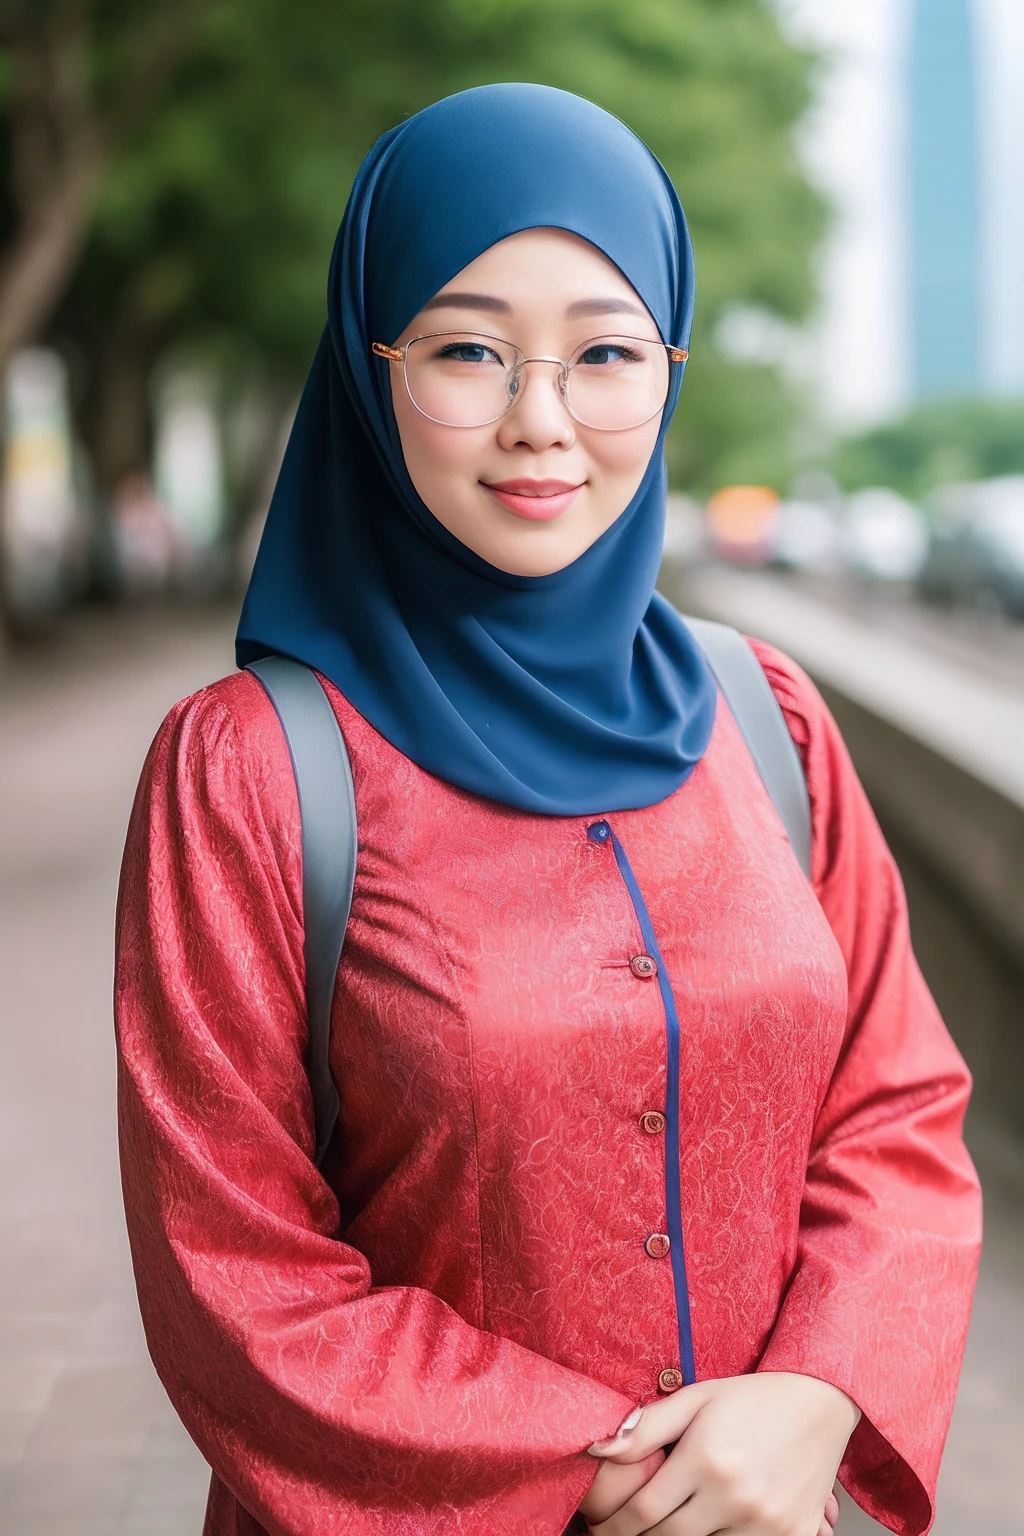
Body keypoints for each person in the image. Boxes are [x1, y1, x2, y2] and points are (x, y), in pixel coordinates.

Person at [114, 84, 981, 1536]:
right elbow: (234, 1276)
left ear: (670, 364)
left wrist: (824, 1392)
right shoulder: (249, 775)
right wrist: (641, 1472)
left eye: (604, 353)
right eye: (465, 348)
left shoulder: (769, 719)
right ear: (368, 364)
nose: (540, 422)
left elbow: (897, 1109)